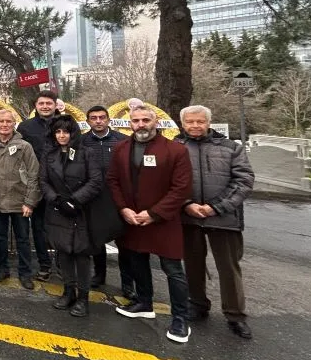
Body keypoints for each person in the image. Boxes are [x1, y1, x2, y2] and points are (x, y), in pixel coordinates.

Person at [107, 105, 194, 343]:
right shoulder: (121, 148)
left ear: (155, 122)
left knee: (173, 271)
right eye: (136, 120)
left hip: (163, 220)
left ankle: (180, 319)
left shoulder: (175, 150)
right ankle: (144, 303)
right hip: (132, 218)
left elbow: (181, 188)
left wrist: (154, 213)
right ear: (130, 123)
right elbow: (113, 180)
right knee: (137, 262)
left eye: (145, 119)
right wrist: (123, 208)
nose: (140, 124)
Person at [177, 105, 256, 339]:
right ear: (183, 124)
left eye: (200, 121)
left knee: (229, 268)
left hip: (224, 218)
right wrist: (186, 204)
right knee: (192, 264)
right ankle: (197, 304)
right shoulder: (175, 148)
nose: (195, 126)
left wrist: (216, 207)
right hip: (188, 216)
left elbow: (244, 180)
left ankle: (235, 314)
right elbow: (169, 181)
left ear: (208, 122)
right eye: (190, 122)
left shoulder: (231, 148)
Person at [39, 116, 103, 317]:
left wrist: (74, 201)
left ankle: (83, 297)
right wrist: (57, 200)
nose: (61, 135)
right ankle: (68, 291)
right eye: (58, 132)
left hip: (80, 210)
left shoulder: (86, 153)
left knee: (81, 254)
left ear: (72, 133)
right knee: (63, 252)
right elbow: (43, 181)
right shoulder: (49, 155)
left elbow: (95, 181)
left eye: (65, 131)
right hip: (58, 209)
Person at [0, 108, 40, 290]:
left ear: (14, 124)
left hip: (20, 202)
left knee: (23, 239)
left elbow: (34, 174)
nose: (5, 125)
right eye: (1, 121)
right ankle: (2, 269)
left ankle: (25, 273)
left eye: (8, 121)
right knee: (0, 238)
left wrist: (30, 202)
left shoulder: (25, 146)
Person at [81, 105, 132, 294]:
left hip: (118, 198)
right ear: (88, 121)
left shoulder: (123, 141)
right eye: (93, 118)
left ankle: (127, 283)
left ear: (108, 119)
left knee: (123, 242)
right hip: (93, 198)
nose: (98, 121)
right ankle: (99, 275)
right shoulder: (82, 142)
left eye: (101, 117)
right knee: (96, 241)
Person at [16, 91, 60, 280]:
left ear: (55, 105)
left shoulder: (65, 123)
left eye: (48, 103)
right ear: (36, 105)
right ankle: (44, 265)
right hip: (36, 182)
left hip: (60, 183)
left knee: (62, 225)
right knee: (38, 226)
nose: (45, 106)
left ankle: (63, 264)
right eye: (41, 103)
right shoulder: (26, 127)